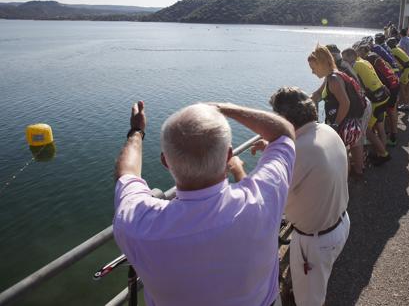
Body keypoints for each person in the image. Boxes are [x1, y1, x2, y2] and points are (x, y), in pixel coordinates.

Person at [113, 100, 295, 306]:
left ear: (165, 162)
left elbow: (126, 175)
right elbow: (284, 132)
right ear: (228, 156)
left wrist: (137, 131)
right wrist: (223, 107)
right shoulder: (263, 198)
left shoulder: (138, 225)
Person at [253, 86, 351, 306]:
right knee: (312, 288)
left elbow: (259, 199)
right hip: (339, 223)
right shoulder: (326, 131)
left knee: (310, 301)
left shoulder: (297, 152)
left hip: (315, 242)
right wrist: (273, 145)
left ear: (283, 120)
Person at [308, 45, 366, 174]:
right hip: (351, 119)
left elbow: (345, 103)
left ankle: (344, 185)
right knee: (345, 152)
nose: (312, 72)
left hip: (343, 123)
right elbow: (319, 94)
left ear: (322, 63)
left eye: (313, 68)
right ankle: (357, 172)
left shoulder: (333, 80)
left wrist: (335, 125)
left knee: (342, 156)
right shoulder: (333, 75)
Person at [341, 48, 391, 165]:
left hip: (376, 100)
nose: (344, 62)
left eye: (345, 59)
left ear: (352, 56)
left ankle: (384, 155)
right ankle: (380, 153)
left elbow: (353, 84)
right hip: (383, 96)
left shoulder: (355, 66)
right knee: (380, 127)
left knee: (366, 130)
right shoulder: (364, 61)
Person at [356, 44, 400, 146]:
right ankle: (389, 133)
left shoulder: (368, 59)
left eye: (357, 51)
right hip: (393, 82)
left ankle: (393, 136)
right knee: (388, 110)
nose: (357, 54)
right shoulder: (373, 54)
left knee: (390, 110)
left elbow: (373, 77)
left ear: (362, 50)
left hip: (391, 85)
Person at [385, 37, 409, 112]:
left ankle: (406, 105)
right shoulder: (398, 49)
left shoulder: (392, 51)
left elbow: (392, 62)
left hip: (407, 70)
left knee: (402, 88)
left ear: (389, 45)